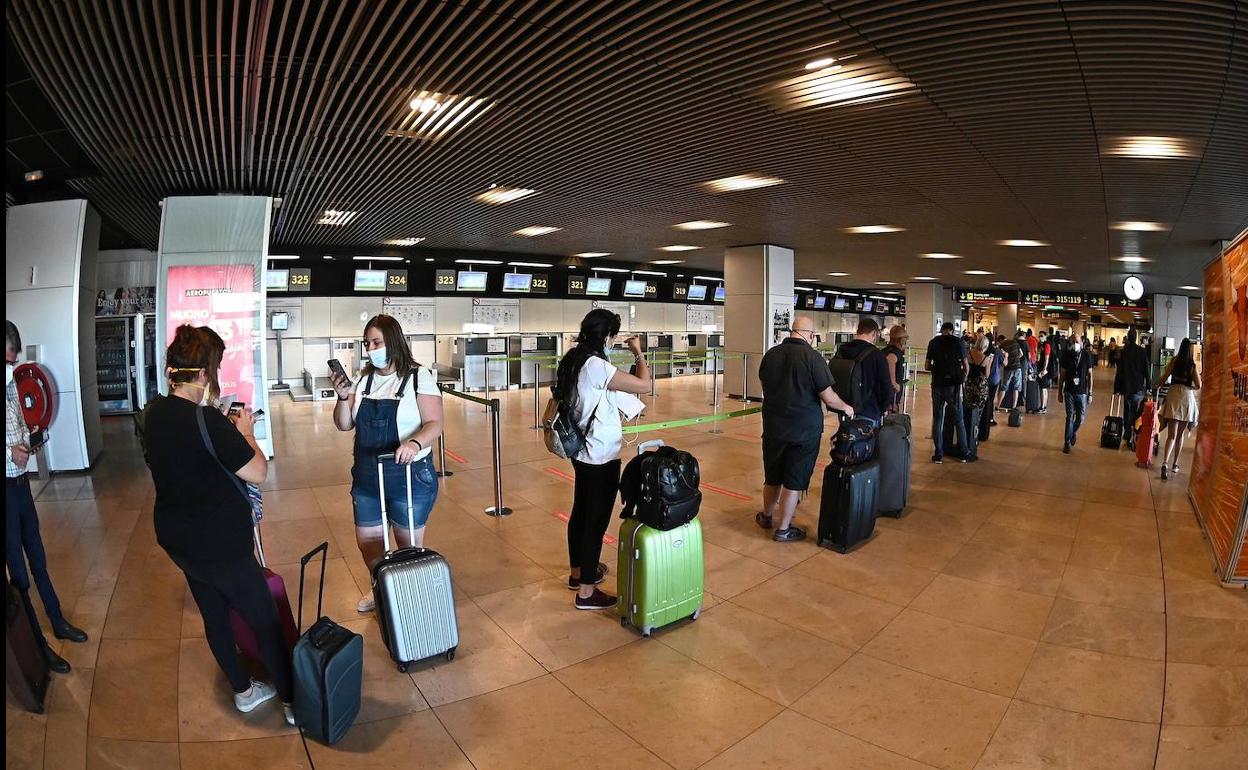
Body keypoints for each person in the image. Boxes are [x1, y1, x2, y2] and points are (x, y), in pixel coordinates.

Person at [142, 325, 292, 723]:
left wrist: (220, 431)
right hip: (221, 545)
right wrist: (246, 434)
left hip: (180, 541)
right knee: (265, 620)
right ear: (206, 373)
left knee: (214, 615)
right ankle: (294, 702)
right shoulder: (208, 420)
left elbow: (183, 461)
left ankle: (243, 690)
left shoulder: (152, 414)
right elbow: (257, 472)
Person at [329, 314, 444, 614]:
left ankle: (411, 598)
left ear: (393, 341)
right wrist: (343, 399)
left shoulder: (419, 377)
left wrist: (415, 443)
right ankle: (381, 588)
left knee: (408, 547)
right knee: (369, 543)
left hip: (408, 475)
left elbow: (434, 423)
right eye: (367, 343)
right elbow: (344, 424)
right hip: (368, 477)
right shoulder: (362, 379)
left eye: (376, 342)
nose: (371, 348)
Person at [552, 309, 651, 608]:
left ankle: (578, 572)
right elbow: (644, 385)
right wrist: (638, 353)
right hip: (600, 453)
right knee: (595, 519)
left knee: (581, 510)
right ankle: (586, 592)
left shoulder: (572, 359)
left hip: (579, 449)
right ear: (607, 336)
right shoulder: (596, 365)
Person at [6, 321, 86, 677]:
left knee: (38, 557)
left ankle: (56, 619)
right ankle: (36, 644)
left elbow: (21, 425)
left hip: (22, 487)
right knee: (19, 572)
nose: (13, 367)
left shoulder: (10, 388)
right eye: (8, 360)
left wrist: (31, 438)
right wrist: (10, 452)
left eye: (14, 360)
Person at [756, 316, 855, 541]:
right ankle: (783, 529)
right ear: (809, 335)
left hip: (773, 427)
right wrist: (847, 408)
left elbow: (765, 387)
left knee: (772, 476)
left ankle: (766, 516)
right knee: (794, 478)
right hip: (804, 430)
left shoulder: (770, 355)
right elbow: (828, 398)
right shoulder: (813, 358)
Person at [1157, 338, 1201, 480]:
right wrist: (1191, 387)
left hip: (1173, 395)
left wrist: (1158, 385)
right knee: (1180, 435)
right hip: (1186, 398)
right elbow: (1199, 385)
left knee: (1171, 435)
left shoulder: (1174, 361)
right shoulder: (1192, 365)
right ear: (1189, 349)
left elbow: (1164, 378)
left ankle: (1164, 463)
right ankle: (1175, 464)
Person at [926, 322, 969, 463]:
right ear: (952, 330)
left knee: (938, 418)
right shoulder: (959, 342)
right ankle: (964, 452)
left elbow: (927, 366)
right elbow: (966, 366)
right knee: (959, 419)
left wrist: (937, 369)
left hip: (937, 384)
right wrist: (962, 376)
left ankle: (938, 454)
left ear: (941, 330)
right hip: (953, 386)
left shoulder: (933, 342)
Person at [834, 318, 892, 425]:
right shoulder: (877, 355)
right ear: (874, 333)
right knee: (866, 439)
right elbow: (886, 386)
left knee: (847, 437)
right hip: (869, 409)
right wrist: (882, 408)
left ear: (858, 331)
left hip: (844, 406)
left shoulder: (842, 350)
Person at [1114, 328, 1151, 450]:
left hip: (1127, 387)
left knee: (1127, 410)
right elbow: (1146, 369)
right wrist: (1149, 385)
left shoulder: (1124, 352)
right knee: (1136, 411)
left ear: (1128, 337)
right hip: (1138, 387)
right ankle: (1135, 435)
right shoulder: (1142, 351)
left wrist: (1117, 387)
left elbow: (1120, 371)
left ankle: (1127, 435)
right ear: (1136, 337)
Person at [1058, 334, 1094, 453]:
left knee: (1080, 418)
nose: (1075, 344)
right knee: (1069, 417)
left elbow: (1090, 375)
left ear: (1082, 342)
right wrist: (1059, 392)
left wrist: (1090, 393)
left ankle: (1072, 432)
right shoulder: (1066, 356)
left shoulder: (1086, 356)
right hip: (1069, 391)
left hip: (1082, 392)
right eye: (1073, 341)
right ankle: (1067, 442)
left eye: (1077, 341)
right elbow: (1062, 375)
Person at [962, 334, 991, 462]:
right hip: (980, 388)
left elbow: (965, 369)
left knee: (967, 409)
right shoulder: (986, 358)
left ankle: (965, 436)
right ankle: (975, 438)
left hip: (969, 385)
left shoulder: (968, 354)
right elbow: (987, 375)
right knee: (978, 414)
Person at [881, 325, 908, 414]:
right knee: (892, 418)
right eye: (905, 337)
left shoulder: (885, 350)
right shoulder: (894, 352)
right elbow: (890, 360)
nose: (906, 340)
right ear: (900, 339)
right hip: (891, 395)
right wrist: (893, 383)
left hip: (884, 390)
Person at [997, 331, 1027, 411]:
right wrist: (1016, 359)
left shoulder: (1002, 345)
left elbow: (1001, 358)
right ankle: (1014, 407)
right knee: (1016, 388)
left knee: (1004, 387)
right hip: (1018, 367)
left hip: (1008, 368)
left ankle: (998, 406)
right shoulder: (1015, 342)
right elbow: (1021, 354)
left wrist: (1009, 359)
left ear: (1000, 340)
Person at [1035, 331, 1052, 413]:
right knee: (1043, 388)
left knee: (1043, 388)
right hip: (1040, 368)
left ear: (1045, 336)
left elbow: (1047, 358)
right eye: (1039, 336)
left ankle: (1043, 407)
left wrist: (1044, 369)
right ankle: (1043, 406)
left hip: (1044, 370)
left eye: (1042, 336)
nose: (1040, 337)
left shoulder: (1047, 345)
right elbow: (1038, 357)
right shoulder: (1040, 345)